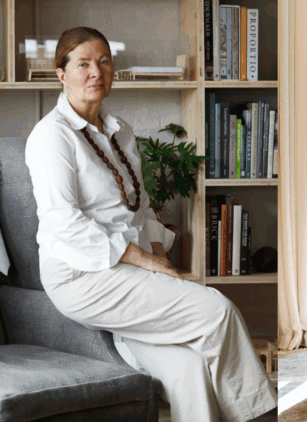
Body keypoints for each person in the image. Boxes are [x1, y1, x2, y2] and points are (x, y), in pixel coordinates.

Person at [25, 27, 277, 422]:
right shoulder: (49, 137)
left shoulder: (120, 131)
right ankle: (261, 416)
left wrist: (162, 262)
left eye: (104, 62)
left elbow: (140, 207)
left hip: (129, 268)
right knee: (217, 312)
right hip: (82, 275)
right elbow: (64, 222)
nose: (96, 72)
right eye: (83, 64)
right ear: (61, 74)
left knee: (188, 369)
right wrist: (144, 260)